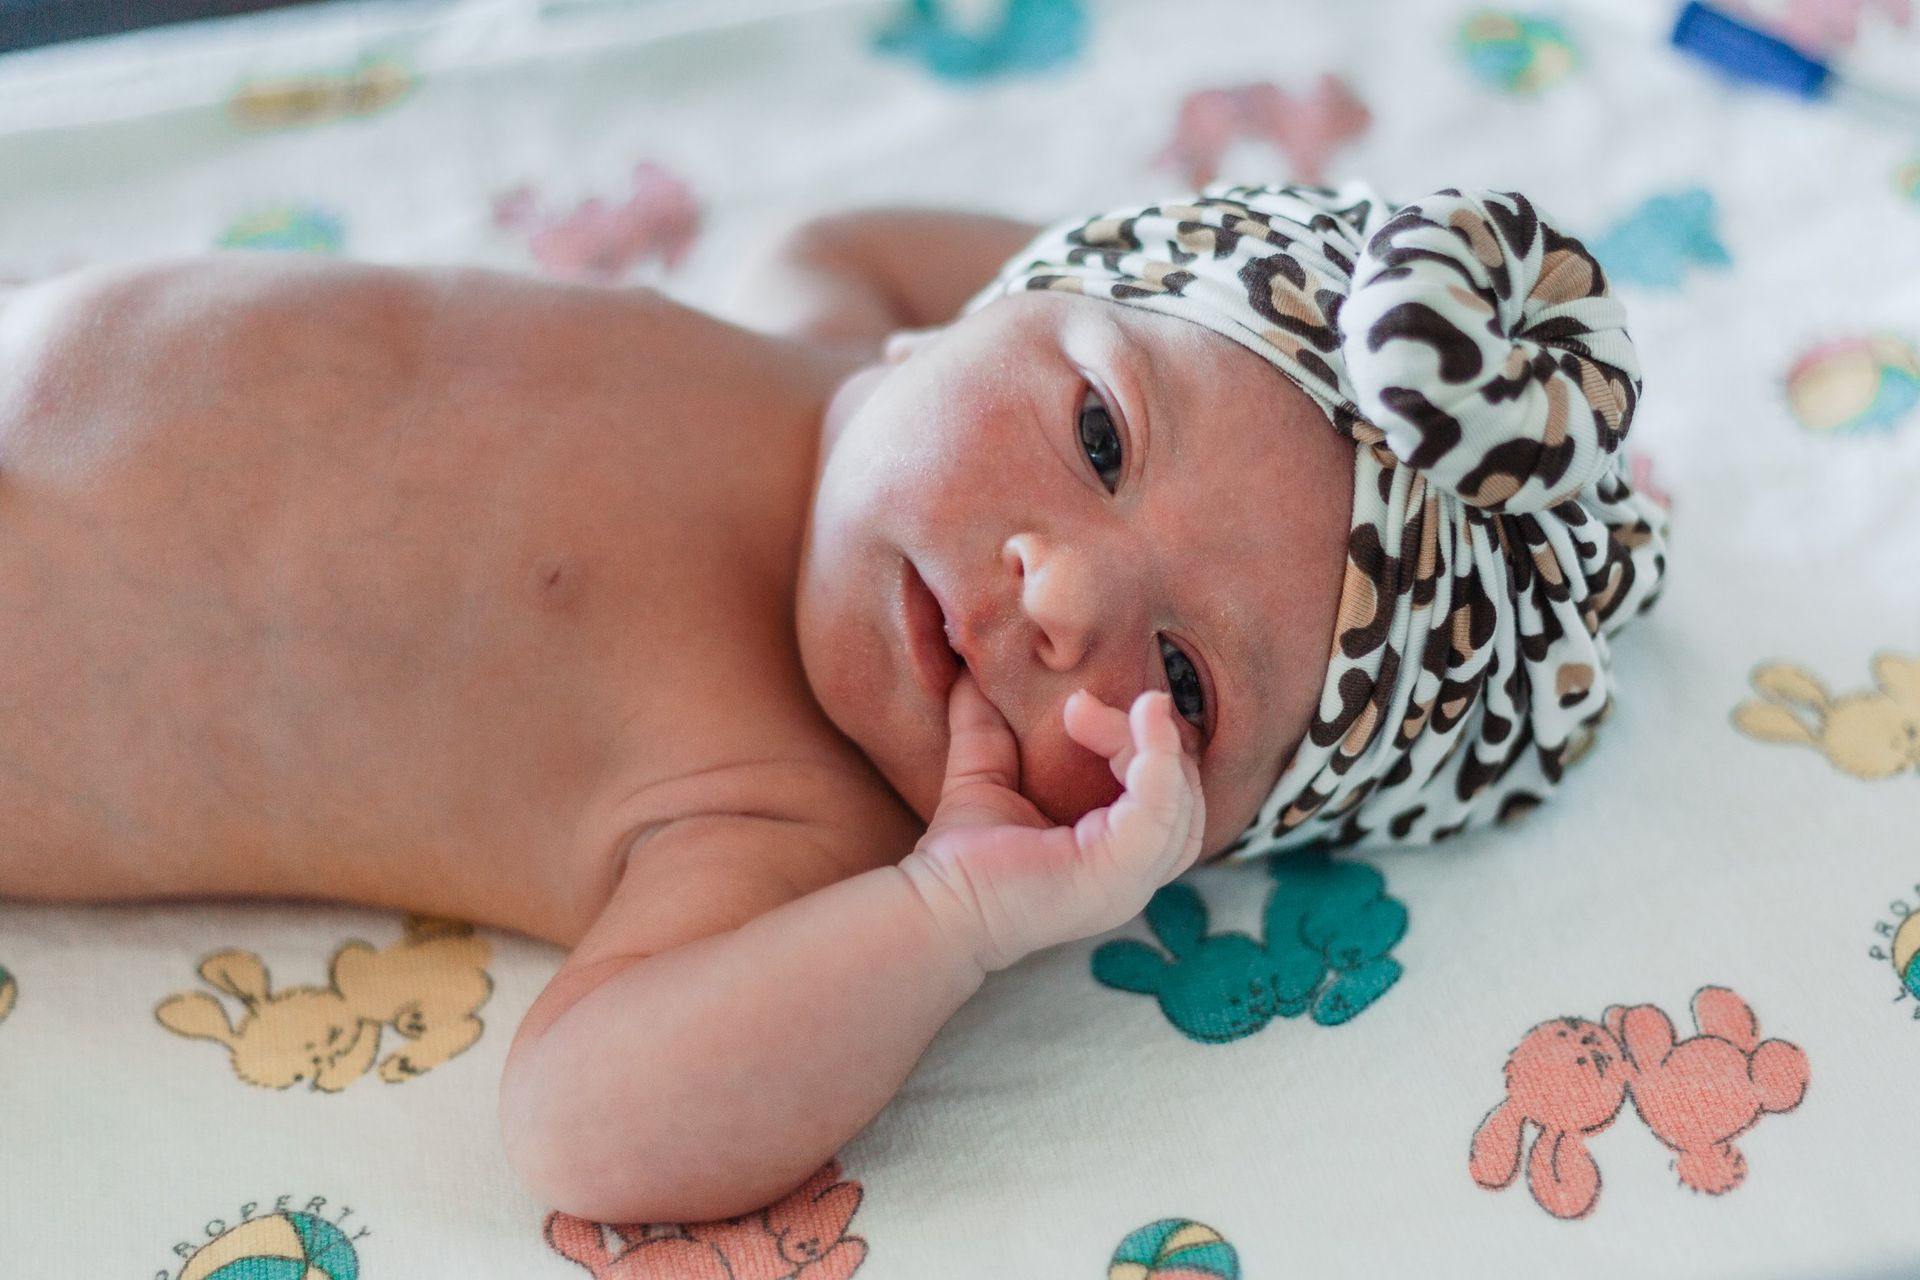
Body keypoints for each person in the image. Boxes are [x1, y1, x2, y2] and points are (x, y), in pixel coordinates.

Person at [0, 180, 1668, 1224]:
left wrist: (951, 913)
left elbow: (585, 1126)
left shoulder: (795, 815)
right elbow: (856, 235)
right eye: (1098, 433)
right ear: (1011, 297)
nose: (1069, 595)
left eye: (1180, 683)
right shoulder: (815, 347)